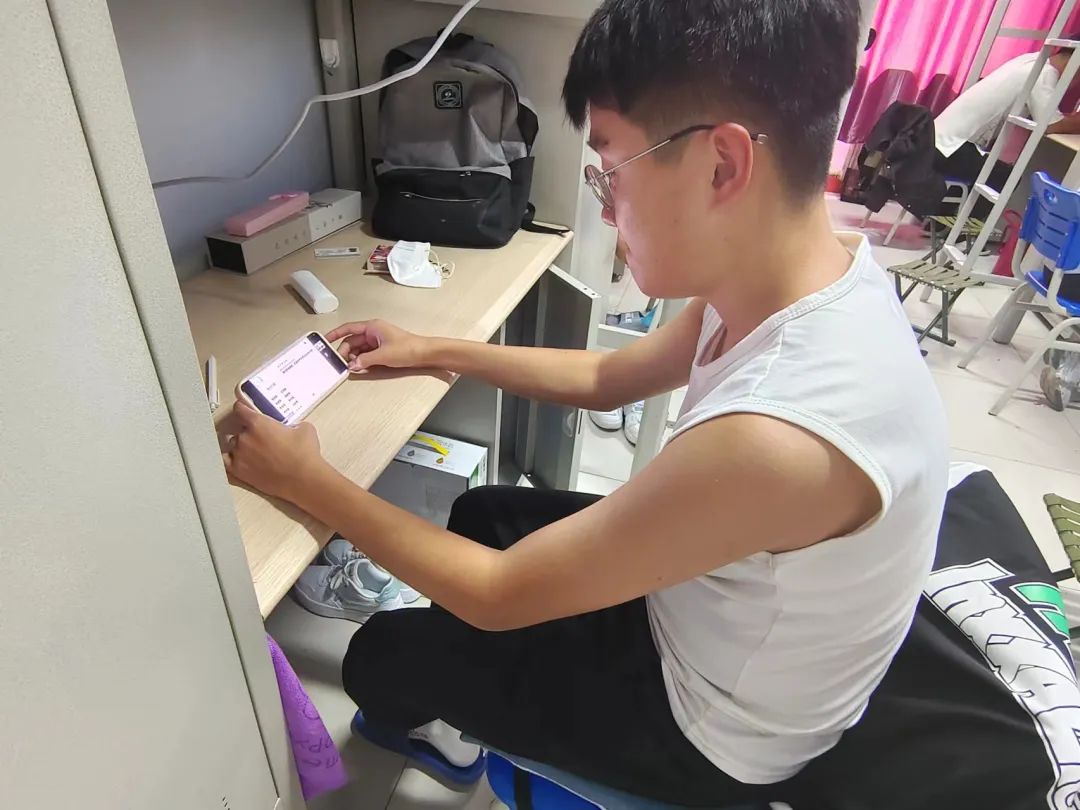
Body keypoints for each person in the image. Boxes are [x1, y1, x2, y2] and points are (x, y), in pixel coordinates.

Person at [223, 0, 948, 804]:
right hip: (711, 622)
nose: (604, 205)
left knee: (385, 653)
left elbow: (498, 595)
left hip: (705, 728)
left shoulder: (781, 433)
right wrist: (434, 348)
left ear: (722, 165)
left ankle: (443, 730)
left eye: (610, 170)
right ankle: (468, 683)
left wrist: (307, 481)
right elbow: (610, 378)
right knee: (484, 514)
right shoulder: (800, 275)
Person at [934, 40, 1080, 219]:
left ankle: (942, 222)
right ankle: (964, 230)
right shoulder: (1044, 74)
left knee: (984, 167)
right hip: (950, 146)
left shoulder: (1031, 60)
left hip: (939, 138)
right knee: (1005, 177)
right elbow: (1050, 125)